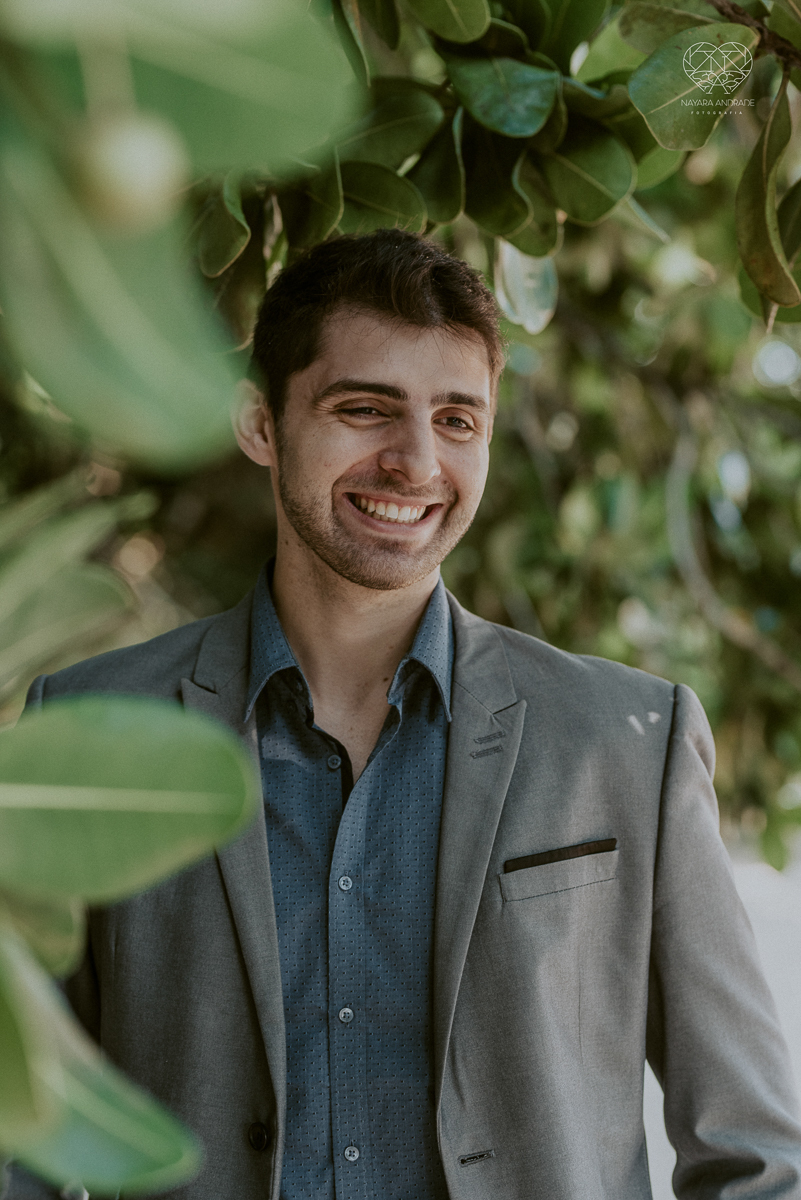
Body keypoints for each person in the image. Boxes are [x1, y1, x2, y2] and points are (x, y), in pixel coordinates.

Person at [5, 230, 801, 1200]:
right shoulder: (96, 726)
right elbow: (26, 1124)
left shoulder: (628, 741)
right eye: (364, 409)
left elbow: (755, 1155)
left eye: (458, 420)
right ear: (261, 424)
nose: (415, 462)